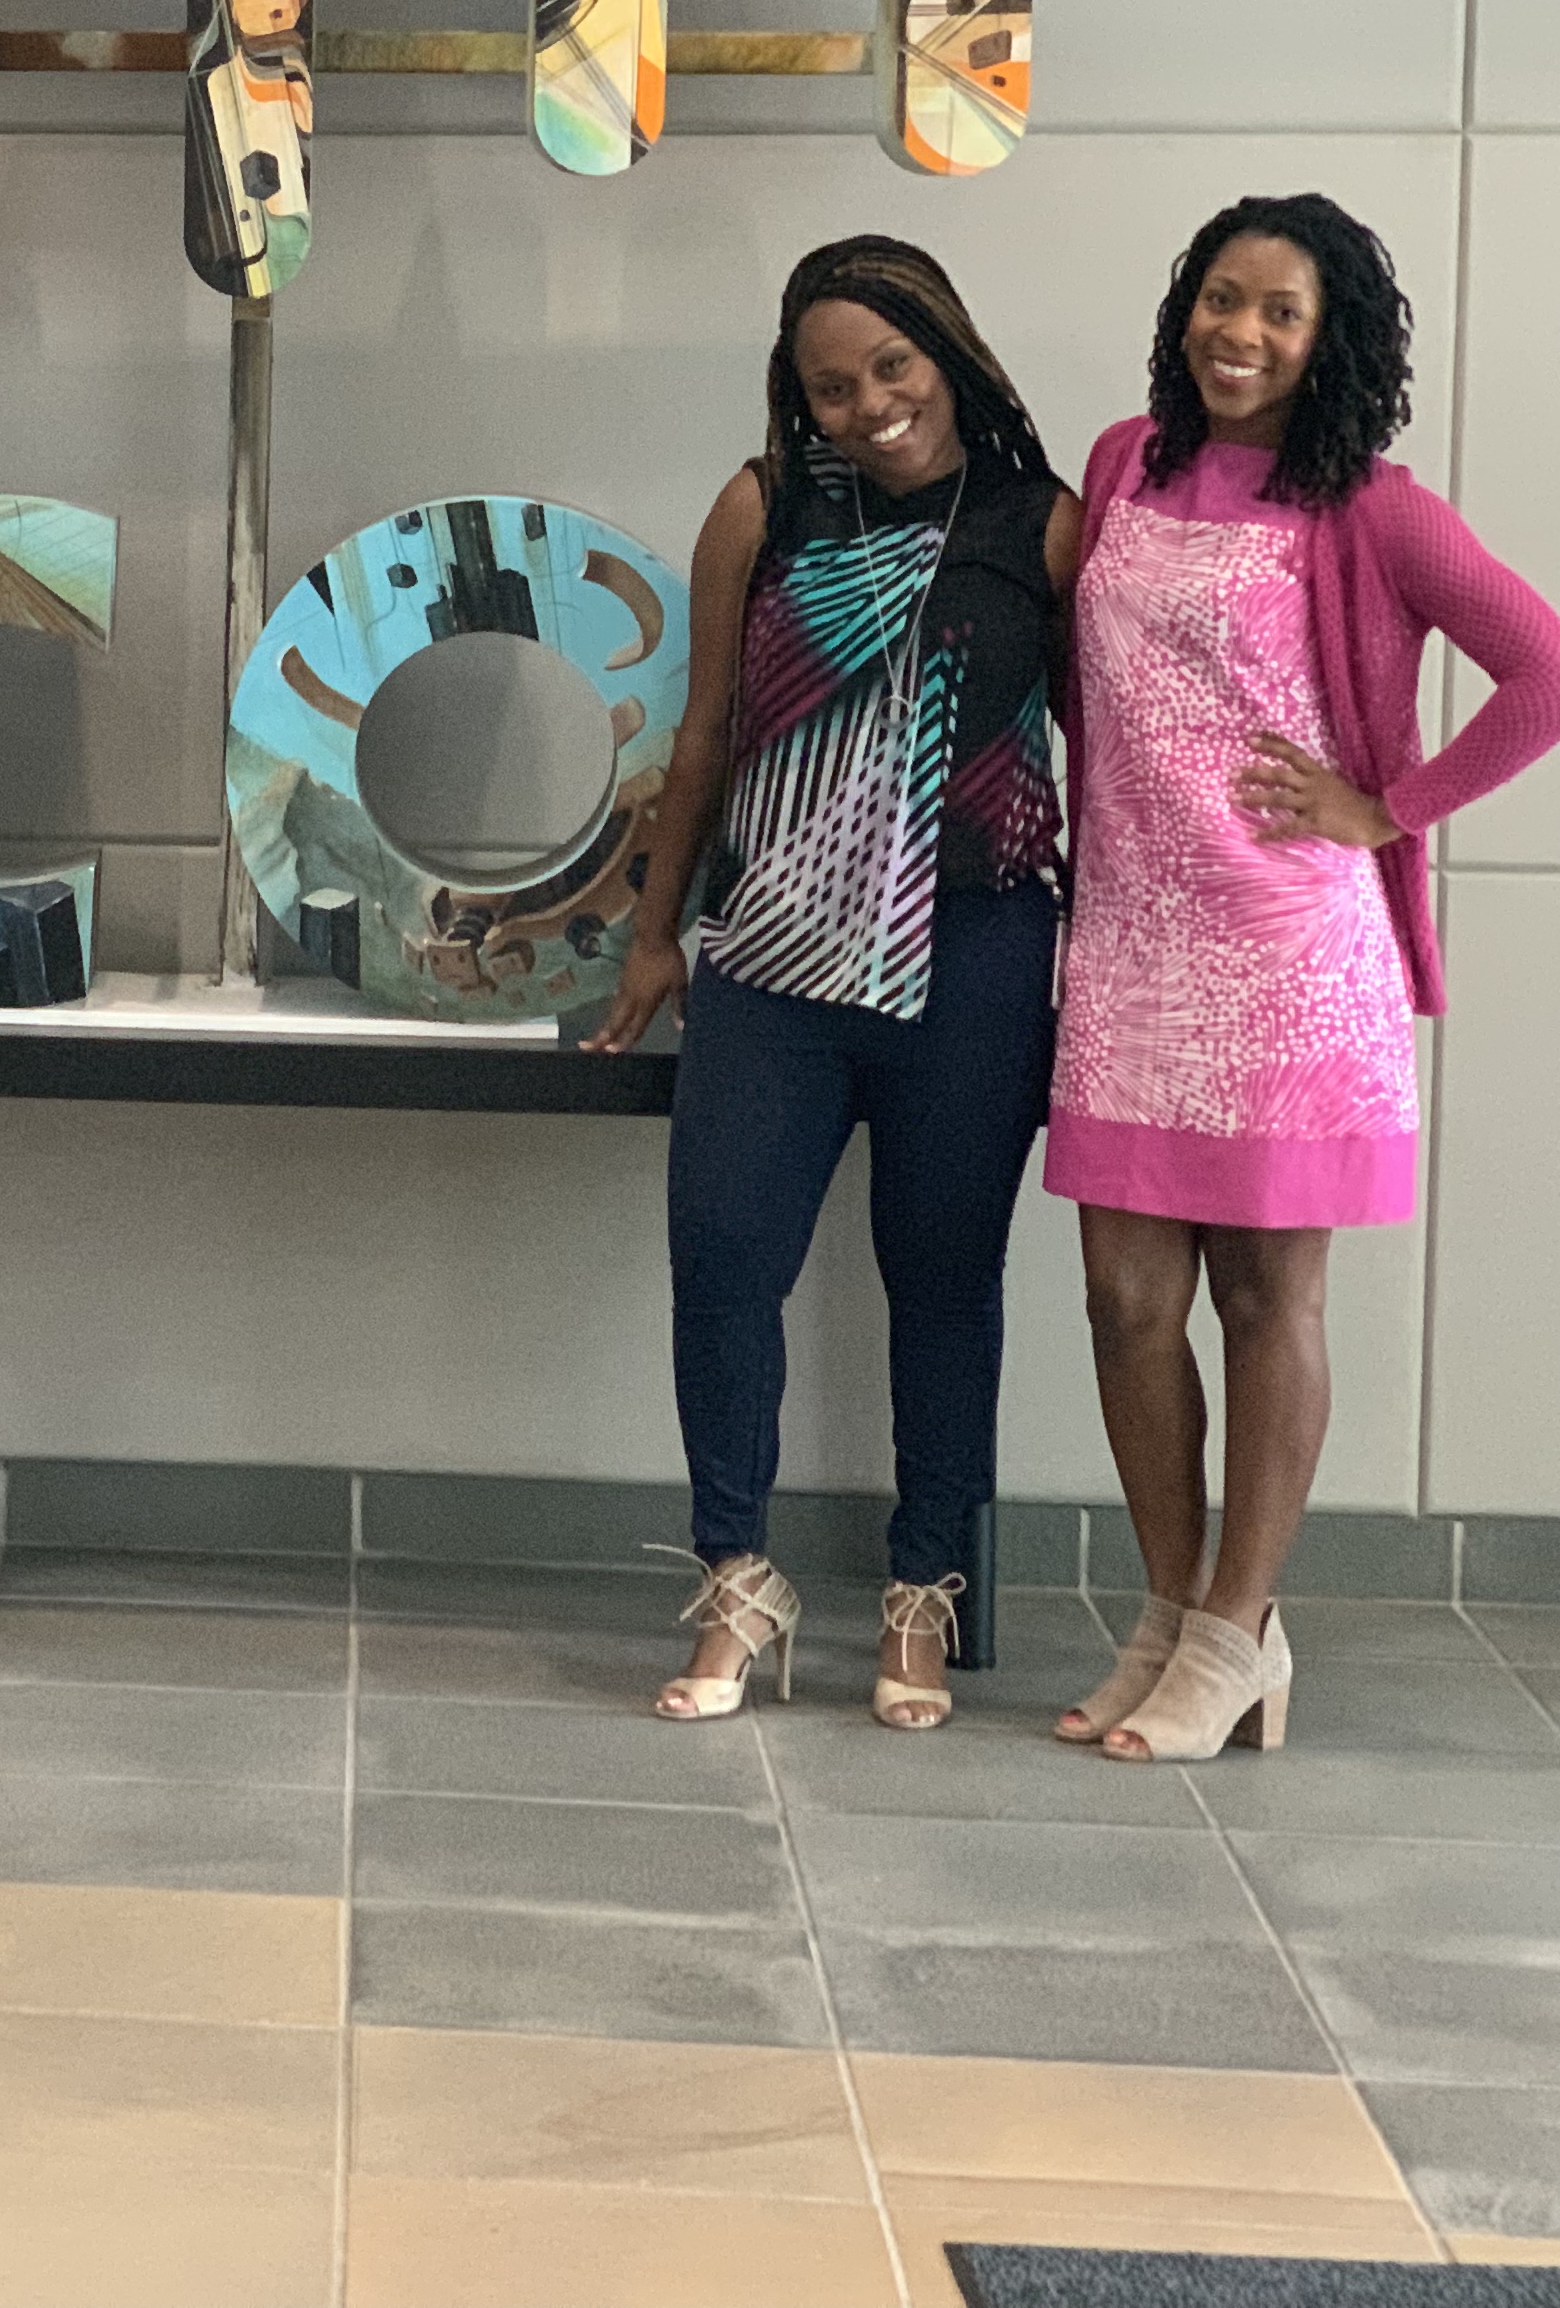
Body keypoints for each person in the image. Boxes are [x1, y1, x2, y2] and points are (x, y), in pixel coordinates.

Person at [1049, 195, 1560, 1761]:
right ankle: (1166, 1610)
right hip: (1130, 941)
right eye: (1221, 298)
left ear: (1333, 341)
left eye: (1281, 311)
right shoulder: (1124, 462)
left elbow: (1543, 666)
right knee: (1129, 1298)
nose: (1241, 334)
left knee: (1270, 1295)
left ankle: (1239, 1632)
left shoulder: (1375, 509)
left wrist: (1385, 809)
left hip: (1287, 957)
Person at [590, 237, 1078, 1730]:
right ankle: (740, 1574)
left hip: (976, 958)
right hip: (772, 960)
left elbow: (1106, 758)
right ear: (793, 397)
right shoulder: (762, 506)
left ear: (951, 351)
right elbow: (704, 738)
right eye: (829, 383)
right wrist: (660, 929)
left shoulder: (1044, 526)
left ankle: (922, 1590)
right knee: (724, 1256)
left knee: (944, 1283)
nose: (867, 404)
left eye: (891, 367)